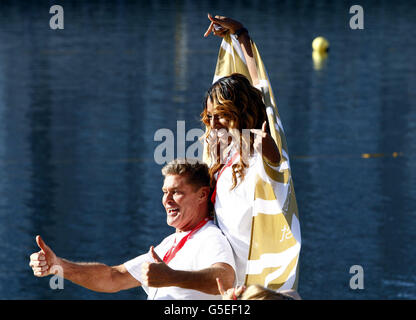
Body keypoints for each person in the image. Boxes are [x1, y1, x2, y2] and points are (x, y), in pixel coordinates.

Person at [29, 159, 236, 300]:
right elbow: (113, 277)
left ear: (202, 195)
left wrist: (172, 277)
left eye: (176, 192)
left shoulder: (210, 238)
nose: (167, 200)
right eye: (165, 192)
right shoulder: (170, 244)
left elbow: (225, 279)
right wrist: (58, 266)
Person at [202, 14, 301, 291]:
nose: (212, 124)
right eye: (209, 117)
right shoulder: (222, 157)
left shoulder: (262, 152)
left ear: (240, 112)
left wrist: (243, 36)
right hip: (228, 278)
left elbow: (262, 92)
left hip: (259, 283)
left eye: (220, 115)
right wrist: (235, 39)